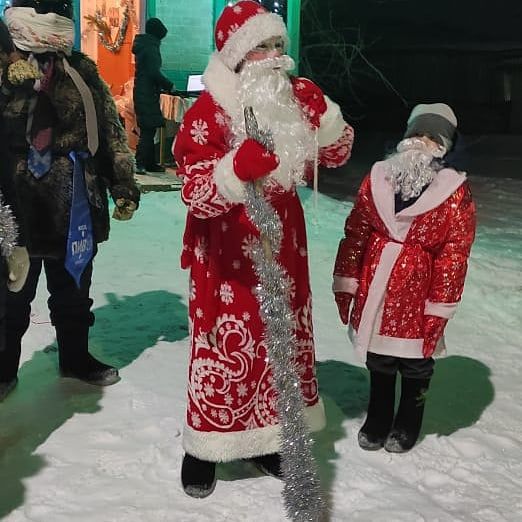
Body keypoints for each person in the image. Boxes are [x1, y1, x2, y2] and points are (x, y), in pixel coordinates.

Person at [173, 0, 354, 498]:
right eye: (262, 48)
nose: (276, 57)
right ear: (236, 55)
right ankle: (204, 447)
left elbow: (337, 155)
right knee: (222, 345)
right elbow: (192, 189)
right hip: (225, 250)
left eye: (279, 46)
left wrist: (330, 120)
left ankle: (268, 438)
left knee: (279, 344)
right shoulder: (208, 111)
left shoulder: (293, 99)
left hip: (282, 244)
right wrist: (234, 169)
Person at [0, 0, 140, 401]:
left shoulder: (79, 70)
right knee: (13, 293)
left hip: (74, 197)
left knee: (74, 289)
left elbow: (109, 130)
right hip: (17, 200)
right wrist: (12, 83)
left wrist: (123, 185)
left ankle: (75, 358)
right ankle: (4, 367)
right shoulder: (5, 64)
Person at [333, 103, 476, 453]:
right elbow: (356, 232)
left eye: (432, 136)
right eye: (416, 134)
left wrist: (439, 307)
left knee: (414, 361)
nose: (421, 142)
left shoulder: (454, 192)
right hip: (376, 284)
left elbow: (454, 253)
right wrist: (347, 281)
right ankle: (379, 416)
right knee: (379, 355)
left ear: (444, 146)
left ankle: (409, 419)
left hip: (418, 289)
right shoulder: (379, 177)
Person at [132, 17, 174, 174]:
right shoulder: (150, 48)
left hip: (144, 91)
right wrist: (169, 85)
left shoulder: (145, 45)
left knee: (149, 128)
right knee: (148, 130)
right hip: (146, 93)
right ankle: (141, 162)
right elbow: (153, 72)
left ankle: (149, 163)